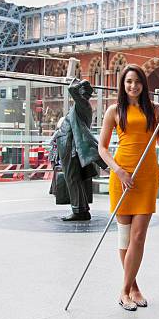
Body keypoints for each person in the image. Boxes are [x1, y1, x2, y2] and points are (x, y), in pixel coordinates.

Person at [98, 64, 159, 311]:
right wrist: (118, 171)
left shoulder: (155, 109)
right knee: (125, 237)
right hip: (122, 176)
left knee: (139, 236)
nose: (133, 86)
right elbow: (102, 148)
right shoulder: (114, 111)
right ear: (123, 84)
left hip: (147, 176)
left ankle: (123, 290)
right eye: (129, 81)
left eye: (137, 81)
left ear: (143, 84)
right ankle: (134, 287)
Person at [56, 79, 106, 221]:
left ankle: (78, 211)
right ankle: (81, 209)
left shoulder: (83, 104)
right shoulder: (80, 106)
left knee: (72, 178)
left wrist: (75, 81)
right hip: (69, 145)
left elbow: (72, 90)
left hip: (71, 147)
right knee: (74, 178)